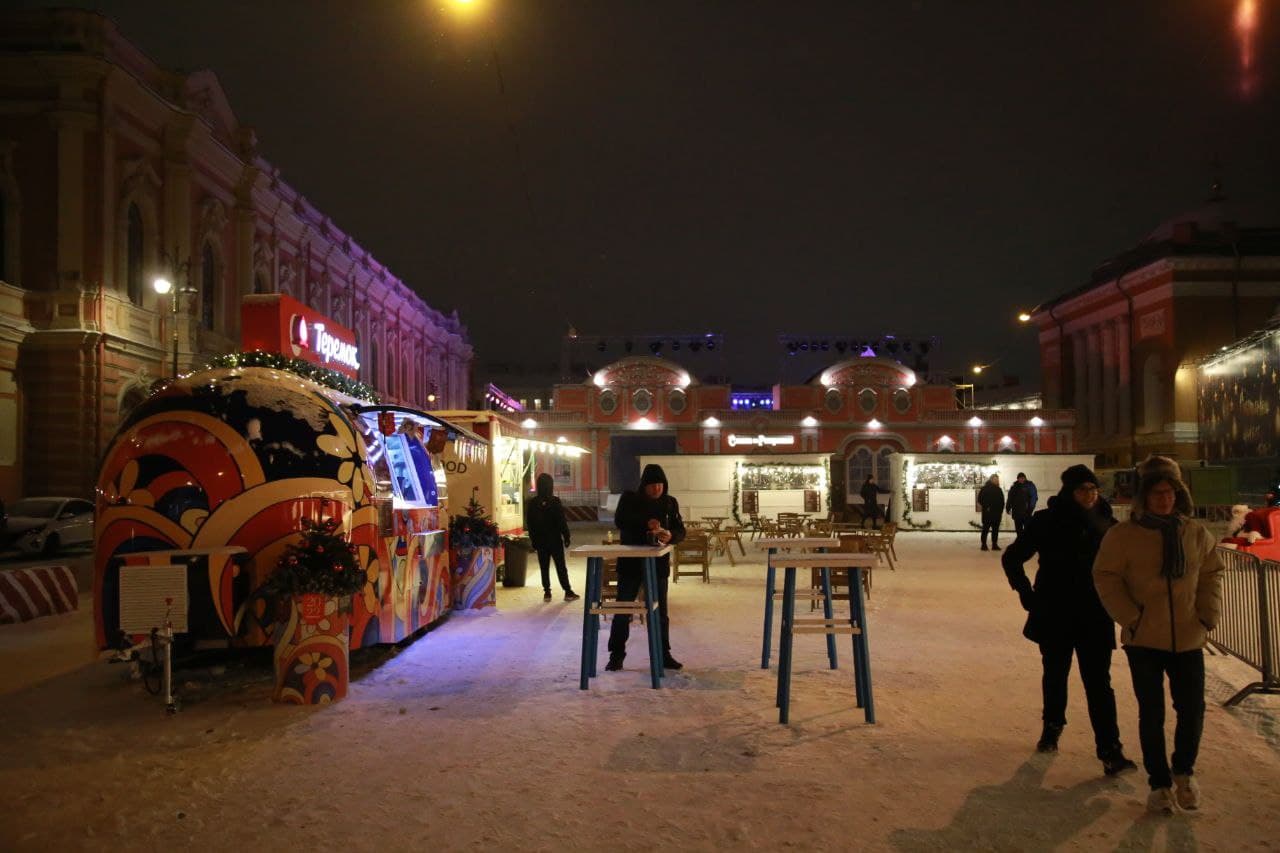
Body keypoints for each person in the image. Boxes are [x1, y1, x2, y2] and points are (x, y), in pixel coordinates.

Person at [1093, 456, 1224, 815]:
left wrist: (1207, 614)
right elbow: (1105, 576)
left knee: (1192, 710)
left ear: (1178, 495)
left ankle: (1183, 772)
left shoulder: (1194, 533)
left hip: (1188, 636)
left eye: (1169, 493)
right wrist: (1130, 617)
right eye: (1157, 494)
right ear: (1144, 497)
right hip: (1144, 640)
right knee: (1152, 714)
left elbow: (1213, 572)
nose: (1164, 500)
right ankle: (1159, 783)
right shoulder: (1124, 536)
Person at [1001, 464, 1137, 776]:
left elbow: (1126, 569)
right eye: (1082, 489)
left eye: (1093, 489)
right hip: (1055, 610)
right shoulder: (1047, 522)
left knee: (1099, 683)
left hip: (1094, 614)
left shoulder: (1109, 525)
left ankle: (1110, 749)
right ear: (1069, 492)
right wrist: (1027, 594)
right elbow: (1012, 557)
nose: (1089, 495)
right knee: (1055, 673)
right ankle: (1052, 726)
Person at [607, 464, 686, 672]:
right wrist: (646, 523)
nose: (657, 489)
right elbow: (620, 521)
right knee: (623, 609)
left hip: (657, 565)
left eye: (660, 485)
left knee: (660, 612)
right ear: (644, 485)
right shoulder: (630, 499)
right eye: (652, 485)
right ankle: (616, 654)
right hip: (631, 563)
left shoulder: (670, 503)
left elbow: (680, 530)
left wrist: (671, 536)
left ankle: (663, 653)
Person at [524, 473, 578, 602]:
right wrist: (566, 536)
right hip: (554, 540)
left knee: (544, 566)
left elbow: (530, 523)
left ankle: (547, 592)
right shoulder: (555, 501)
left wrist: (533, 539)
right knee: (560, 566)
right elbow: (561, 521)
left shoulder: (532, 503)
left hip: (540, 540)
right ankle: (567, 591)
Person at [1006, 472, 1039, 537]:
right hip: (1016, 512)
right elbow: (1010, 498)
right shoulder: (1014, 486)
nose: (1021, 479)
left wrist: (1030, 508)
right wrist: (1008, 507)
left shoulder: (1029, 485)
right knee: (1019, 530)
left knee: (1027, 529)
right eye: (1020, 478)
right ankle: (1020, 542)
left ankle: (1027, 543)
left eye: (1023, 478)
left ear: (1025, 478)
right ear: (1017, 479)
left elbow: (1034, 497)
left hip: (1026, 512)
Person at [977, 473, 1005, 551]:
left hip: (997, 514)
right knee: (985, 529)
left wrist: (1001, 510)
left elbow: (1002, 501)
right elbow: (980, 499)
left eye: (997, 479)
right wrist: (987, 507)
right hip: (988, 513)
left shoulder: (998, 489)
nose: (997, 481)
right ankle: (984, 545)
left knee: (995, 530)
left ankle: (994, 545)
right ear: (991, 479)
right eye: (995, 479)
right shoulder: (985, 488)